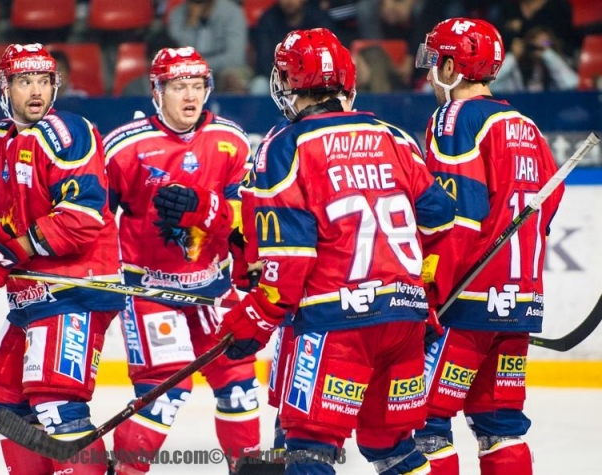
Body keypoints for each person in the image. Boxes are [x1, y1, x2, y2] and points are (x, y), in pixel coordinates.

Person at [215, 27, 457, 475]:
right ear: (347, 81)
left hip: (334, 324)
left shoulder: (283, 148)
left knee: (309, 447)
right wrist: (426, 298)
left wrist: (256, 317)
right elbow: (442, 222)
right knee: (392, 447)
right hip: (403, 320)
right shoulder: (396, 138)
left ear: (287, 84)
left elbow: (289, 260)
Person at [0, 43, 124, 475]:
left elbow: (81, 220)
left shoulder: (69, 133)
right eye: (25, 81)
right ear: (5, 87)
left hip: (78, 286)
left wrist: (2, 251)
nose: (37, 90)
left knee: (58, 402)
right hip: (31, 294)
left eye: (44, 80)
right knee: (4, 399)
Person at [412, 18, 564, 474]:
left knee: (422, 423)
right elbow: (551, 200)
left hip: (465, 303)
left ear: (454, 66)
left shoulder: (453, 118)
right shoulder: (525, 124)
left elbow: (457, 216)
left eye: (437, 60)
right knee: (500, 426)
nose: (430, 71)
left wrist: (430, 293)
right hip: (518, 302)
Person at [103, 46, 260, 475]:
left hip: (213, 286)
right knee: (165, 391)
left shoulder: (230, 140)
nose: (190, 96)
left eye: (197, 86)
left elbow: (244, 225)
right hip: (150, 289)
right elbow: (97, 220)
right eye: (178, 86)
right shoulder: (123, 147)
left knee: (241, 387)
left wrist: (205, 210)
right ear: (156, 91)